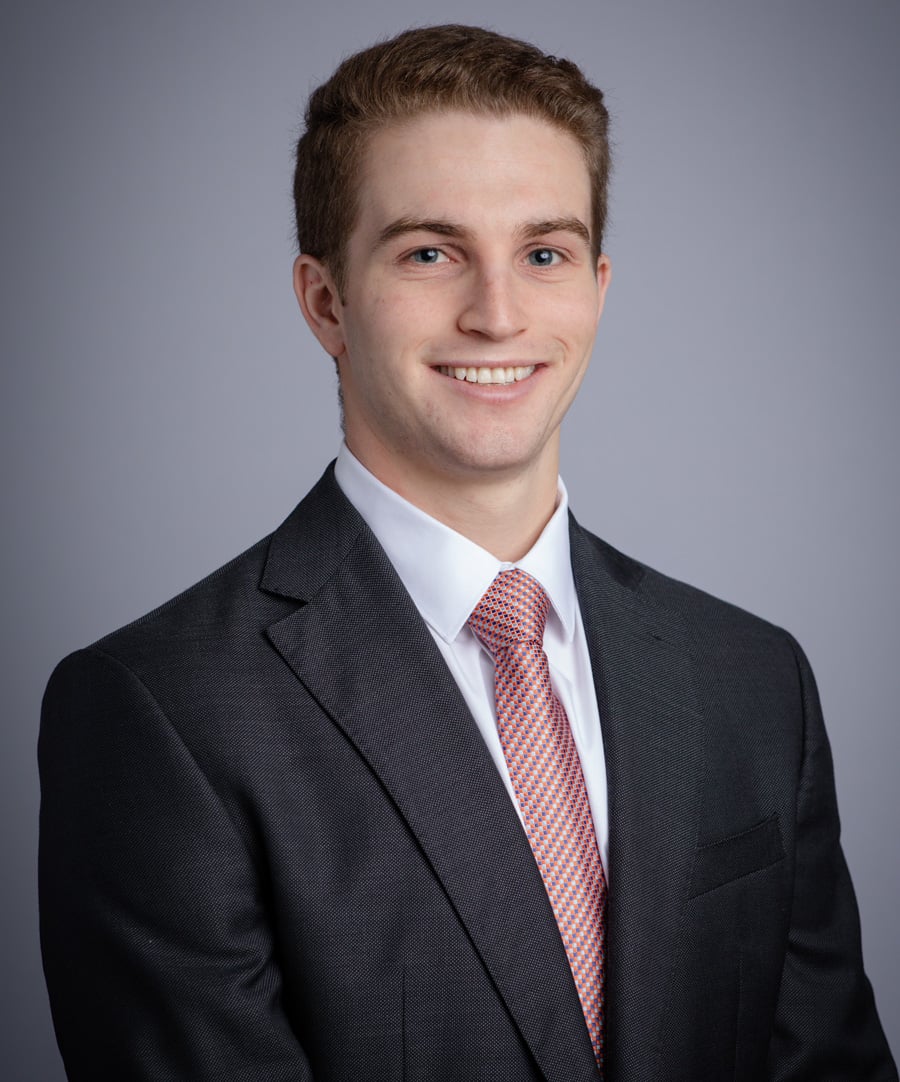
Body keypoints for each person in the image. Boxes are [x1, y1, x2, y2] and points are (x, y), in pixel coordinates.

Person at [38, 24, 896, 1082]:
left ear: (597, 288)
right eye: (429, 253)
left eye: (544, 254)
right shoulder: (162, 711)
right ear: (325, 302)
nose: (498, 314)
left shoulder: (753, 680)